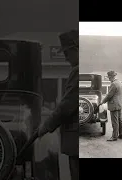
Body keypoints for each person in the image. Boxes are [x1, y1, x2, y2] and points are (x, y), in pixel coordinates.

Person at [37, 30, 79, 180]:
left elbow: (66, 106)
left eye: (67, 53)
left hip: (76, 141)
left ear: (77, 49)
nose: (66, 58)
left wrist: (46, 126)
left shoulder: (78, 71)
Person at [99, 71, 122, 141]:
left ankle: (114, 137)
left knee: (115, 121)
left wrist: (102, 102)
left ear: (111, 77)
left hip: (114, 105)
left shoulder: (113, 84)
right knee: (120, 120)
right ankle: (121, 134)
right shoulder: (120, 83)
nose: (109, 79)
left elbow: (109, 95)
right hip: (120, 104)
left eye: (109, 77)